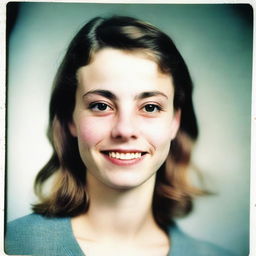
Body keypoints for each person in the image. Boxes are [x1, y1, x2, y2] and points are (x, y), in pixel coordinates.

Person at [5, 15, 235, 256]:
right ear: (69, 119)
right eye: (101, 106)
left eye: (150, 107)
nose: (125, 130)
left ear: (174, 122)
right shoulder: (12, 245)